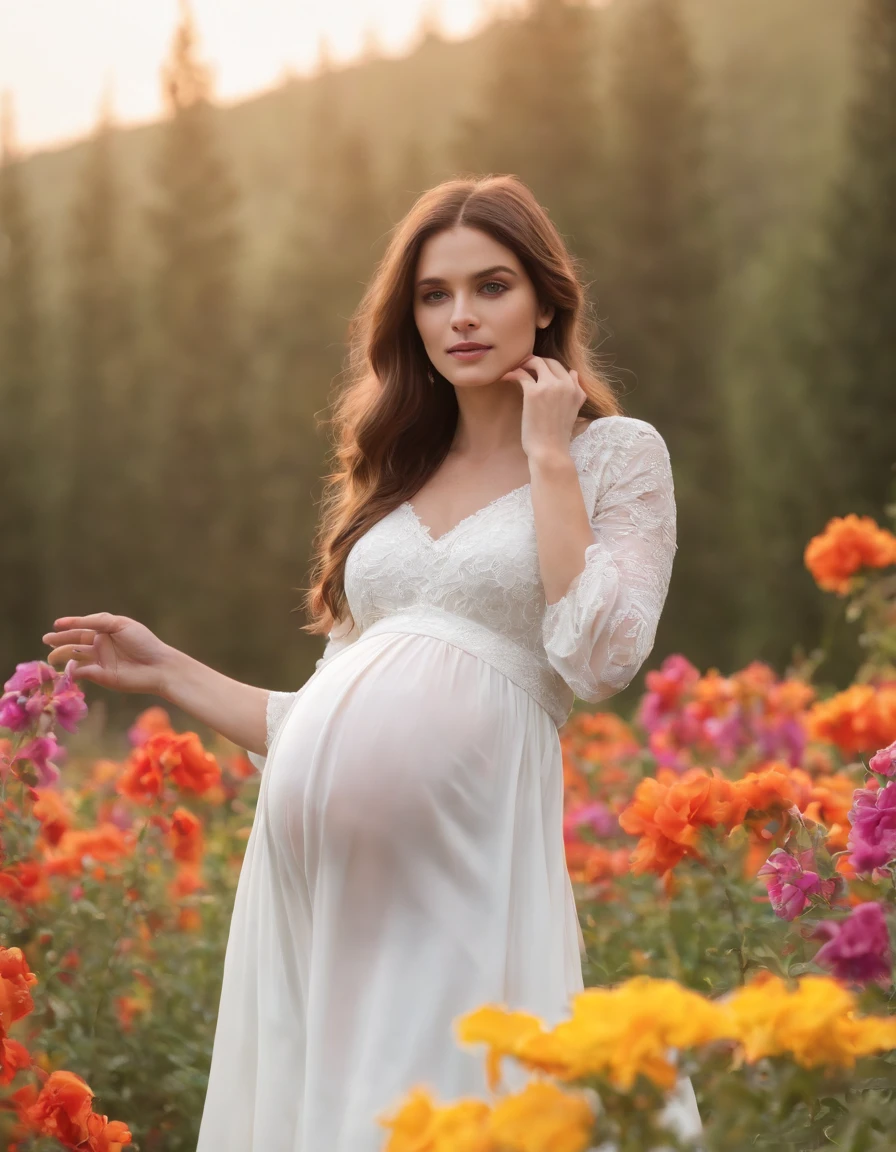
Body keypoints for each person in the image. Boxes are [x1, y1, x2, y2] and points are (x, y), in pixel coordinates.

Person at [43, 175, 702, 1151]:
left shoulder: (613, 457)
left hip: (465, 850)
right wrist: (170, 670)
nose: (460, 316)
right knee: (341, 1106)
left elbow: (596, 652)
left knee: (448, 1094)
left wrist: (548, 457)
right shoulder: (395, 471)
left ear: (546, 302)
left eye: (491, 286)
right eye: (433, 295)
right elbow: (321, 711)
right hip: (317, 876)